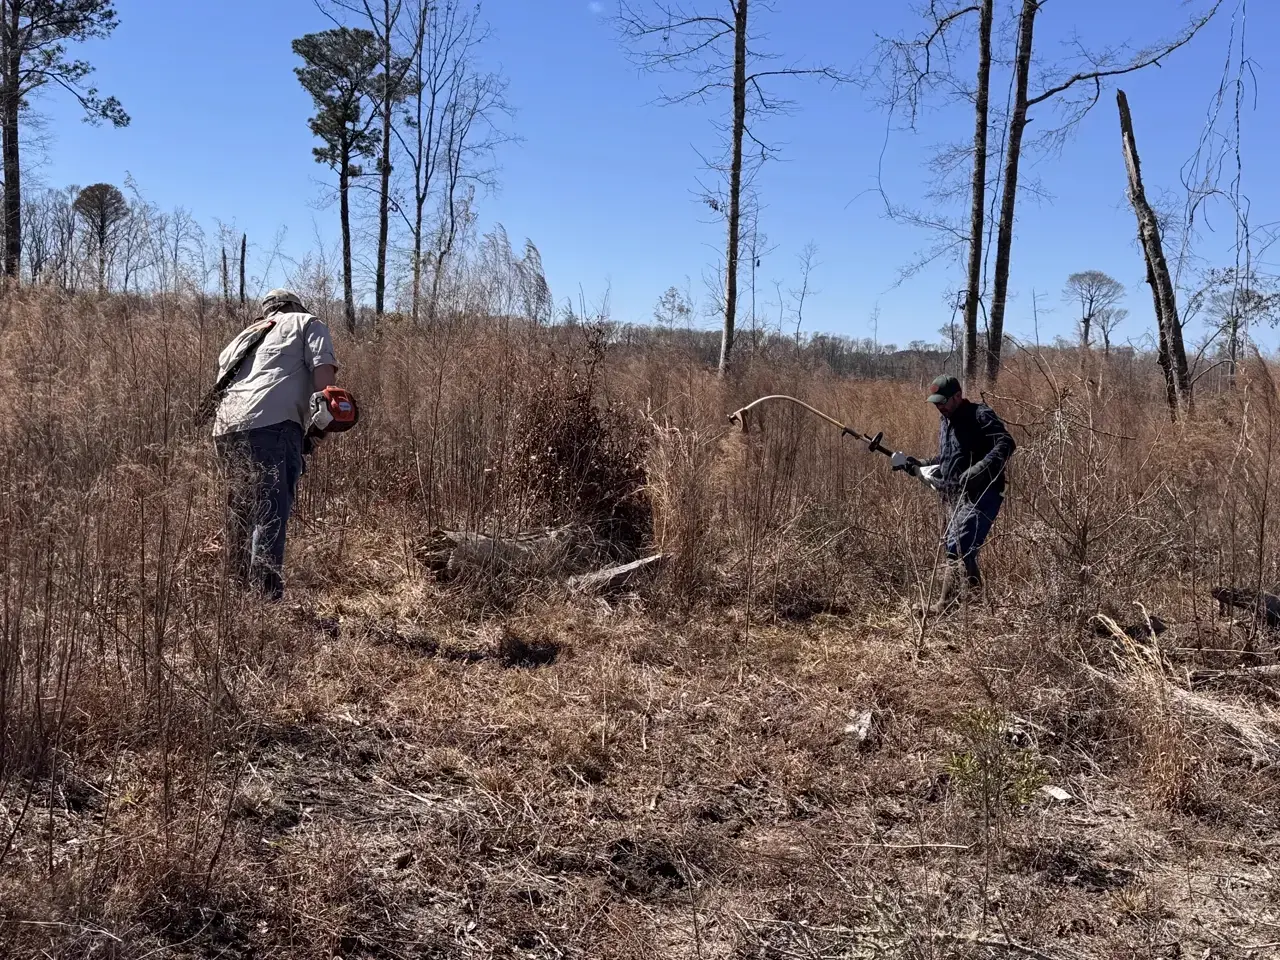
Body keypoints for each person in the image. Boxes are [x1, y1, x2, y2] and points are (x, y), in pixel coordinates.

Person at [212, 289, 338, 600]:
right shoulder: (308, 323)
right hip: (272, 425)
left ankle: (235, 596)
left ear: (267, 312)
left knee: (239, 514)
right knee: (269, 513)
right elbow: (328, 393)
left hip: (225, 428)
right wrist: (318, 434)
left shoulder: (242, 338)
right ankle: (265, 604)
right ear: (296, 306)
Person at [891, 374, 1016, 614]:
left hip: (984, 492)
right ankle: (979, 604)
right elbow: (947, 459)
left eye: (943, 401)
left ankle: (943, 607)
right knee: (964, 548)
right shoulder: (946, 421)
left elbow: (1006, 443)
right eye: (936, 402)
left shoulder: (980, 414)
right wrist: (920, 464)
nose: (939, 406)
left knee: (957, 546)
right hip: (954, 495)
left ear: (958, 396)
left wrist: (981, 467)